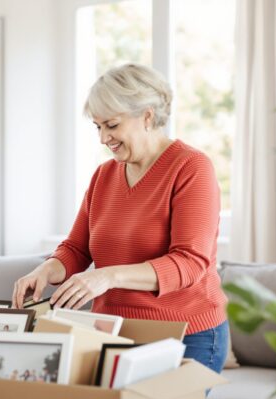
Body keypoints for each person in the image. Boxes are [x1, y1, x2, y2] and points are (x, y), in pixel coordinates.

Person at [12, 63, 229, 374]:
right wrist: (46, 270)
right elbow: (77, 248)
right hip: (112, 331)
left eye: (111, 125)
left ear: (147, 117)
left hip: (187, 335)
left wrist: (108, 276)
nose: (103, 138)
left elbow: (190, 262)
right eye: (97, 126)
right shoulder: (104, 175)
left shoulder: (191, 168)